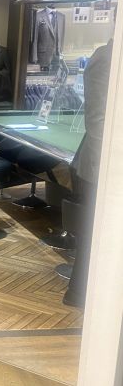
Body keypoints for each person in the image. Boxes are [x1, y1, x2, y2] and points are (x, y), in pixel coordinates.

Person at [65, 28, 114, 308]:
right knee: (91, 237)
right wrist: (104, 172)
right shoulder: (106, 58)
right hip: (99, 166)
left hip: (103, 164)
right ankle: (81, 296)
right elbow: (97, 121)